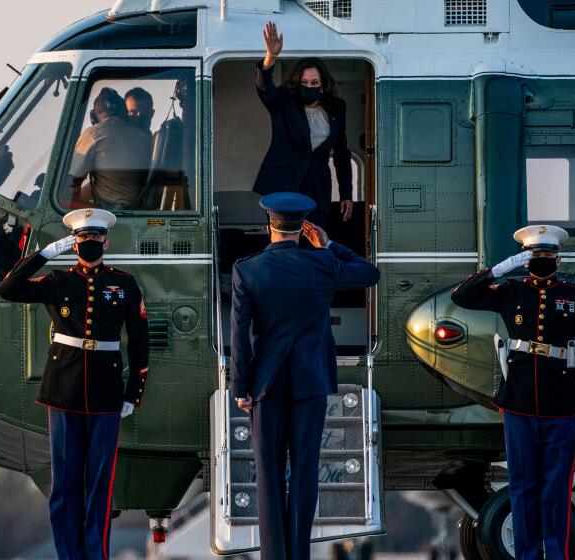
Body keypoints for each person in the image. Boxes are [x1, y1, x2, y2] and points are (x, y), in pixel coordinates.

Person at [230, 192, 379, 560]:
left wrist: (241, 388)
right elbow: (368, 273)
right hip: (311, 382)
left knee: (268, 477)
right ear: (303, 229)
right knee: (305, 473)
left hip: (266, 384)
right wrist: (329, 245)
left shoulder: (247, 269)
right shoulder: (322, 262)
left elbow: (240, 335)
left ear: (270, 226)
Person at [0, 208, 150, 559]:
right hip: (63, 389)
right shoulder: (58, 282)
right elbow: (8, 288)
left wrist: (133, 393)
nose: (89, 245)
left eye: (95, 240)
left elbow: (140, 340)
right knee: (65, 484)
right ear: (74, 243)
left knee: (100, 484)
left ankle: (96, 555)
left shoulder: (124, 284)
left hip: (106, 390)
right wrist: (47, 253)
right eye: (82, 240)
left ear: (105, 242)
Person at [451, 225, 575, 560]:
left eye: (546, 255)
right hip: (518, 402)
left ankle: (556, 555)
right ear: (526, 259)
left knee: (556, 490)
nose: (541, 261)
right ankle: (527, 555)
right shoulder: (510, 291)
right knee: (522, 487)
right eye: (535, 256)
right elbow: (461, 296)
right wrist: (500, 268)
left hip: (561, 404)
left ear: (557, 259)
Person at [253, 22, 355, 230]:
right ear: (297, 82)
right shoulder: (284, 100)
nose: (309, 87)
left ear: (323, 85)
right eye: (304, 82)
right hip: (283, 186)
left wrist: (346, 194)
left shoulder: (336, 108)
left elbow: (342, 154)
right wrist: (270, 57)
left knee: (315, 245)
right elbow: (264, 87)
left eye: (314, 83)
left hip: (317, 188)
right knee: (284, 246)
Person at [69, 87, 153, 209]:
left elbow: (72, 184)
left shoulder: (93, 133)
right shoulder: (145, 138)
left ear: (94, 115)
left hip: (113, 212)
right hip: (137, 209)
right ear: (124, 112)